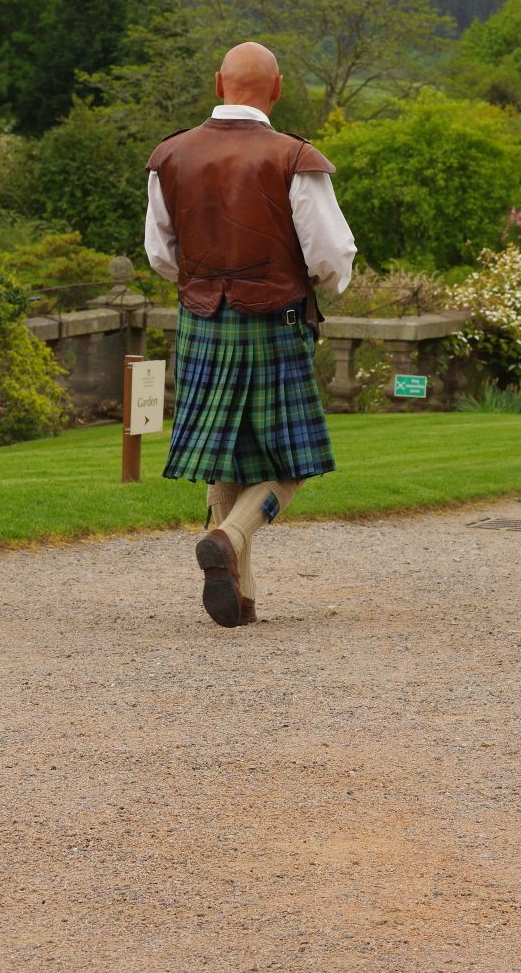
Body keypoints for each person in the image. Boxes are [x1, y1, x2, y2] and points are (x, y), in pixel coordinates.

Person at [143, 41, 356, 628]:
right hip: (275, 320)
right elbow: (331, 255)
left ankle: (241, 596)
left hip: (202, 319)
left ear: (218, 84)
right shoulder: (294, 158)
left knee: (225, 457)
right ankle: (230, 536)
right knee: (293, 463)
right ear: (278, 89)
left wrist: (207, 285)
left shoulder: (171, 156)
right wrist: (312, 286)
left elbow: (160, 255)